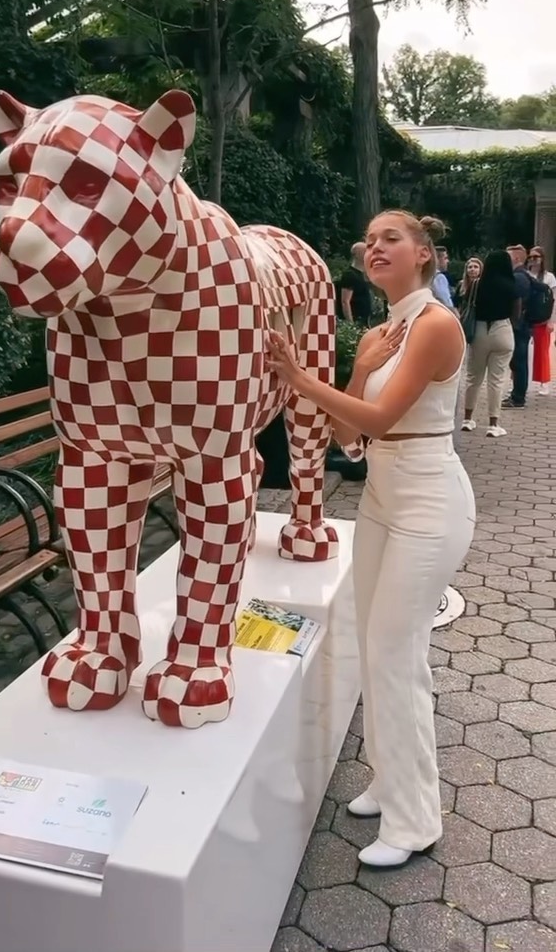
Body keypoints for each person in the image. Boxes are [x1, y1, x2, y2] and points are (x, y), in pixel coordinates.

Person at [267, 210, 476, 870]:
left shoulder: (435, 324)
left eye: (392, 238)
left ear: (423, 253)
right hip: (383, 494)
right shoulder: (384, 331)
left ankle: (415, 821)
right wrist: (356, 368)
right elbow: (347, 436)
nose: (375, 246)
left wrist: (301, 379)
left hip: (429, 499)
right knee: (374, 646)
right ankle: (389, 783)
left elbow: (382, 419)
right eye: (371, 240)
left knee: (394, 653)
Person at [461, 250, 519, 438]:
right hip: (502, 329)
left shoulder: (477, 284)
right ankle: (493, 424)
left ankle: (467, 419)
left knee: (473, 377)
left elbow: (466, 304)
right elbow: (516, 313)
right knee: (496, 380)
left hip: (479, 330)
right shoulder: (511, 285)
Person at [502, 244, 532, 408]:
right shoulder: (523, 275)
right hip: (523, 324)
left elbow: (517, 300)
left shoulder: (518, 277)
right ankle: (517, 394)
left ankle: (518, 397)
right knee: (519, 361)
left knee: (519, 361)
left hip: (519, 325)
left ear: (517, 258)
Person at [527, 245, 556, 395]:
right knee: (521, 352)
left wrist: (552, 320)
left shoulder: (549, 277)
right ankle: (518, 382)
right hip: (526, 318)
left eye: (536, 257)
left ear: (542, 259)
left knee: (542, 351)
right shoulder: (525, 275)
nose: (533, 260)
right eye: (530, 257)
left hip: (543, 318)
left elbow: (554, 300)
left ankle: (544, 383)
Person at [338, 242, 373, 325]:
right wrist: (351, 324)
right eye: (365, 251)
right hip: (356, 320)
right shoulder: (350, 275)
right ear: (356, 255)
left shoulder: (362, 274)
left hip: (364, 320)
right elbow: (345, 301)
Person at [431, 246, 457, 314]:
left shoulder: (425, 276)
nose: (448, 261)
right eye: (445, 258)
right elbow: (445, 302)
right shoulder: (439, 277)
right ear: (437, 259)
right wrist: (455, 315)